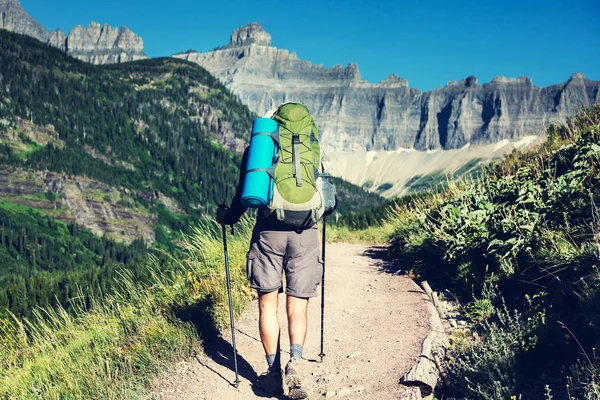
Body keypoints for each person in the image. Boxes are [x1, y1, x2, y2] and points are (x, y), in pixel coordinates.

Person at [217, 114, 326, 400]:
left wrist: (227, 218)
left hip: (268, 233)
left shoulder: (262, 144)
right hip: (306, 233)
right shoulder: (311, 146)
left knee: (268, 304)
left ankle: (272, 371)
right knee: (298, 305)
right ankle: (297, 363)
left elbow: (245, 193)